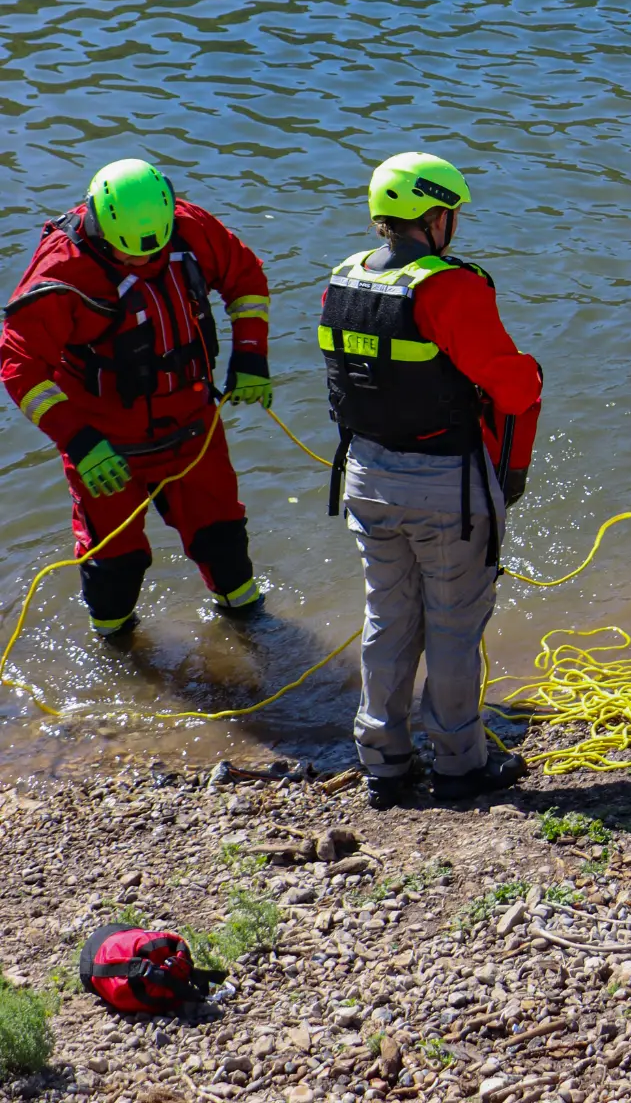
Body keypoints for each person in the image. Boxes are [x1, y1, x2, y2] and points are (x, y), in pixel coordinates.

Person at [319, 150, 543, 809]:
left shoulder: (340, 279)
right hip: (445, 485)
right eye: (452, 215)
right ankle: (457, 765)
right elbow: (511, 384)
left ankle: (382, 764)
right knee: (452, 627)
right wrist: (529, 371)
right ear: (433, 217)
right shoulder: (448, 286)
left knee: (387, 620)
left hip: (364, 475)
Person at [0, 159, 273, 638]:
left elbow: (245, 279)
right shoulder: (62, 272)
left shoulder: (190, 229)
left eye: (155, 252)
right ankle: (120, 659)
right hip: (107, 449)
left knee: (224, 543)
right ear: (103, 227)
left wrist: (250, 356)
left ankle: (255, 633)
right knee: (114, 567)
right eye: (129, 257)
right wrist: (79, 442)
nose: (144, 263)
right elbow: (19, 365)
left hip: (193, 428)